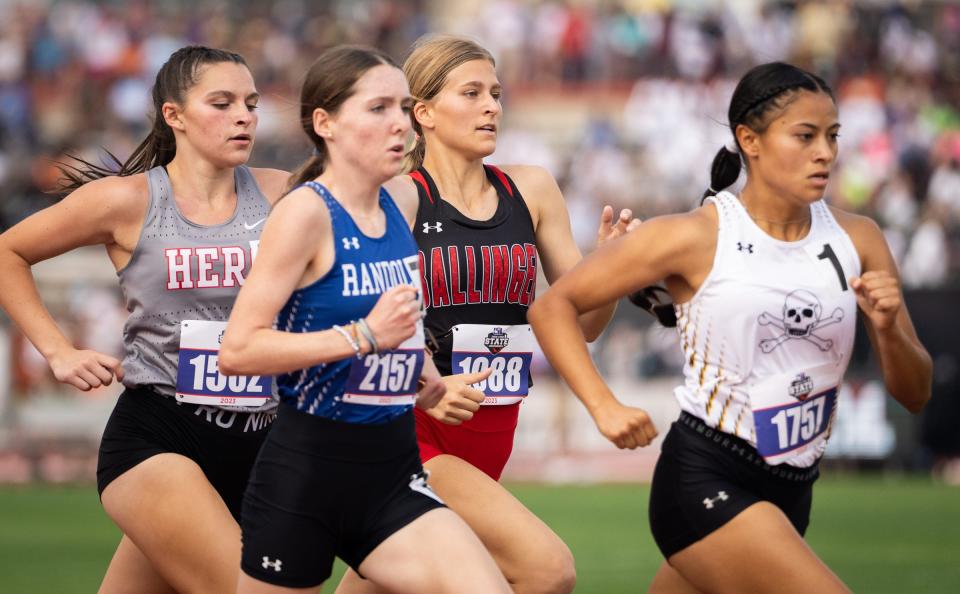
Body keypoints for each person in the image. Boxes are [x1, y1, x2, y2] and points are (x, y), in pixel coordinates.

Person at [528, 62, 932, 594]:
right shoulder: (693, 235)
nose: (826, 153)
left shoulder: (861, 238)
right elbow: (552, 308)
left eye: (832, 136)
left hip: (793, 491)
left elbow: (914, 392)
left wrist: (887, 330)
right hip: (705, 478)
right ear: (750, 140)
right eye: (805, 136)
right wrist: (604, 406)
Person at [336, 35, 638, 594]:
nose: (491, 106)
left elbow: (583, 326)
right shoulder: (396, 197)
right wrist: (424, 379)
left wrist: (612, 269)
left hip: (492, 433)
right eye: (471, 93)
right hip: (408, 430)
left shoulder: (533, 189)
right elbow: (365, 319)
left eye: (495, 94)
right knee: (545, 570)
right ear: (422, 112)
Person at [218, 45, 511, 594]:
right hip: (306, 477)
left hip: (391, 474)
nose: (399, 124)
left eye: (403, 108)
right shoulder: (306, 212)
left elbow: (398, 325)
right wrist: (361, 336)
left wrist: (425, 381)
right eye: (378, 109)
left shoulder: (400, 204)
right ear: (325, 123)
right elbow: (239, 349)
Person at [0, 46, 289, 593]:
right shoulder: (126, 201)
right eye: (222, 103)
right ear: (173, 115)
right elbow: (7, 253)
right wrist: (58, 351)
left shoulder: (284, 192)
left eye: (250, 103)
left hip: (264, 443)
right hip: (161, 438)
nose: (244, 116)